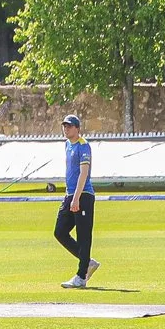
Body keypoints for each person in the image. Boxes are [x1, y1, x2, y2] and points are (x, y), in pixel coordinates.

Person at [54, 115, 99, 287]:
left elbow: (84, 173)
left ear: (77, 128)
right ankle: (87, 261)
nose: (66, 129)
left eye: (70, 126)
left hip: (83, 195)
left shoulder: (83, 146)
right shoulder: (67, 145)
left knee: (83, 235)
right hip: (70, 195)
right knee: (60, 231)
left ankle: (81, 276)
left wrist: (77, 198)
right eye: (64, 126)